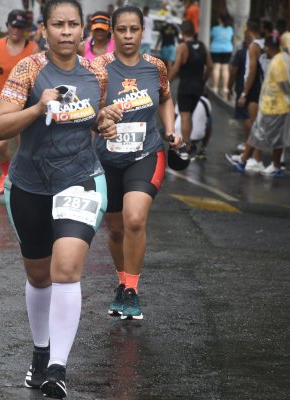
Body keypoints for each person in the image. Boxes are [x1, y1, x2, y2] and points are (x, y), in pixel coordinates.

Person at [0, 0, 116, 398]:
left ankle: (57, 370)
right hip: (28, 184)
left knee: (67, 267)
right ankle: (41, 354)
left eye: (72, 25)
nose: (66, 32)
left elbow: (94, 115)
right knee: (39, 275)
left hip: (80, 179)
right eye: (57, 25)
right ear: (44, 30)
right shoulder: (28, 69)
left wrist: (105, 121)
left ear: (83, 31)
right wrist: (39, 106)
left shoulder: (98, 71)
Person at [93, 6, 182, 320]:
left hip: (146, 154)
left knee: (134, 219)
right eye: (122, 30)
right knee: (115, 230)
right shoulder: (99, 68)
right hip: (107, 159)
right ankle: (121, 282)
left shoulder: (155, 66)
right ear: (113, 32)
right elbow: (88, 110)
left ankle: (132, 290)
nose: (128, 36)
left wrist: (171, 130)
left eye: (134, 30)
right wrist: (101, 117)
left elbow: (167, 97)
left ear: (143, 31)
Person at [0, 9, 39, 195]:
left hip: (25, 102)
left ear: (25, 29)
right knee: (0, 143)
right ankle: (5, 173)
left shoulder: (32, 49)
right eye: (13, 26)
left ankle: (20, 177)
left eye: (20, 27)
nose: (16, 30)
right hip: (0, 99)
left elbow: (39, 73)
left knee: (23, 143)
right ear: (7, 26)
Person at [226, 34, 287, 177]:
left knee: (257, 132)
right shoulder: (283, 59)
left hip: (273, 105)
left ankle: (246, 161)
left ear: (267, 47)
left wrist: (245, 94)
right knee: (275, 137)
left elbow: (281, 84)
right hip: (280, 105)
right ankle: (275, 166)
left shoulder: (276, 62)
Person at [168, 20, 212, 160]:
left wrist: (166, 83)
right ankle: (189, 145)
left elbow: (176, 67)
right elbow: (210, 66)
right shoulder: (203, 47)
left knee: (185, 115)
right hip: (198, 86)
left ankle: (186, 148)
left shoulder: (183, 47)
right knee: (189, 115)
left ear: (182, 32)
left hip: (185, 86)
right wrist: (203, 80)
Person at [236, 18, 265, 172]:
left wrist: (244, 93)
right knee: (257, 124)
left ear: (249, 30)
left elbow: (252, 70)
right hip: (262, 87)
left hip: (254, 88)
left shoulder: (253, 46)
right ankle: (251, 156)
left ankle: (257, 158)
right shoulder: (264, 44)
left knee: (255, 125)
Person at [227, 40, 251, 152]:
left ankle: (248, 144)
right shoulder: (261, 52)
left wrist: (229, 86)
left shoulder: (241, 53)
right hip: (255, 88)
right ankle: (249, 143)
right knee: (251, 116)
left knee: (246, 117)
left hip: (243, 88)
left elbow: (234, 72)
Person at [174, 94, 212, 159]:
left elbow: (174, 117)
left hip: (180, 136)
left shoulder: (182, 97)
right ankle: (203, 149)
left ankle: (176, 147)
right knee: (209, 119)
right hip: (197, 136)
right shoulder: (206, 101)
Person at [210, 14, 234, 96]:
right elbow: (230, 37)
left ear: (220, 20)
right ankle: (225, 88)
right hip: (227, 49)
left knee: (216, 67)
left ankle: (215, 87)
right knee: (225, 68)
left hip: (216, 49)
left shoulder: (215, 29)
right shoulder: (230, 29)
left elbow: (212, 36)